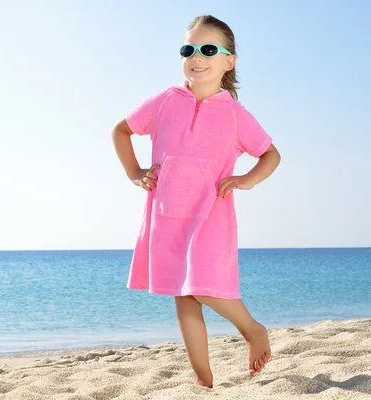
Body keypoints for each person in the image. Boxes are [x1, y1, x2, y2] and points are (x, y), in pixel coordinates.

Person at [111, 14, 281, 388]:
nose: (196, 57)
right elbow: (121, 130)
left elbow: (270, 154)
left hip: (210, 215)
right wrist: (135, 172)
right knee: (183, 297)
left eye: (207, 49)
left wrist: (246, 180)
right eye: (188, 49)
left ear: (228, 61)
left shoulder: (236, 115)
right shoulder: (165, 100)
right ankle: (203, 379)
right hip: (166, 215)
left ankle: (252, 330)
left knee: (203, 286)